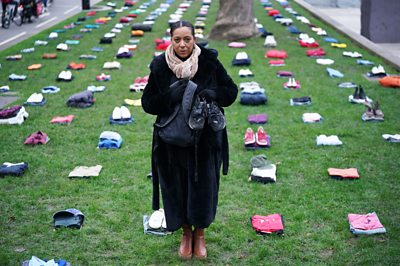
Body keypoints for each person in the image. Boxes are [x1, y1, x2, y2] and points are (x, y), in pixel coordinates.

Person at [141, 20, 238, 260]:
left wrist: (213, 94)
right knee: (176, 189)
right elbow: (147, 103)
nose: (182, 45)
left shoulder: (209, 62)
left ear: (194, 39)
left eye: (187, 39)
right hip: (171, 143)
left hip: (205, 142)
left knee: (204, 188)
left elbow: (231, 91)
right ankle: (186, 234)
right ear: (170, 40)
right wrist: (169, 96)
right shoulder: (160, 67)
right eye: (177, 40)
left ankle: (200, 235)